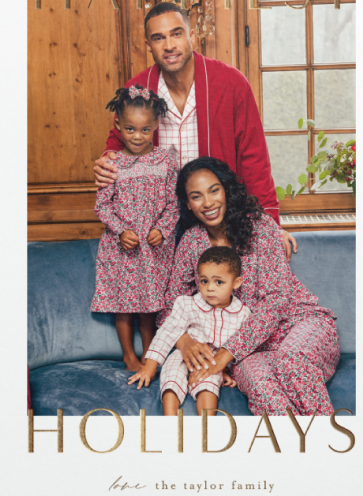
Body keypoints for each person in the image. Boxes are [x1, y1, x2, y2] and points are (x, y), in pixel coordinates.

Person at [92, 0, 291, 256]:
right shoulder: (137, 90)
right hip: (159, 226)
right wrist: (107, 162)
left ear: (192, 36)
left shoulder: (231, 83)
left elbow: (254, 159)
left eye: (177, 33)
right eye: (158, 38)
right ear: (148, 46)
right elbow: (117, 144)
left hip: (219, 216)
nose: (169, 45)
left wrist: (270, 226)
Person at [163, 158, 341, 416]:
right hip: (248, 354)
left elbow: (276, 301)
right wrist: (184, 341)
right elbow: (169, 304)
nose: (209, 203)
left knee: (292, 363)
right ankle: (298, 454)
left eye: (214, 190)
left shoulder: (259, 226)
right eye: (197, 196)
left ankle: (329, 447)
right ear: (188, 204)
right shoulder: (191, 243)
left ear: (226, 189)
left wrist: (225, 355)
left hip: (298, 323)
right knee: (263, 390)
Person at [89, 87, 181, 371]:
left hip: (153, 251)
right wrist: (120, 231)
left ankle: (153, 355)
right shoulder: (112, 163)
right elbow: (102, 207)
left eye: (144, 129)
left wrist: (163, 230)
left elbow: (174, 205)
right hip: (123, 250)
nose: (137, 136)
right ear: (118, 125)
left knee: (149, 308)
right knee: (125, 305)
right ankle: (129, 356)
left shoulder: (167, 161)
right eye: (130, 129)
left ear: (155, 126)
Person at [127, 245, 250, 416]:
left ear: (236, 283)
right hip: (183, 355)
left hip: (212, 360)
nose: (210, 288)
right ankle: (171, 421)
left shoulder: (243, 314)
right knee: (171, 376)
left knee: (208, 385)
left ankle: (205, 428)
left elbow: (239, 347)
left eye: (219, 282)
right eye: (204, 281)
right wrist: (150, 365)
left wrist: (226, 370)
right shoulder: (187, 304)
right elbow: (167, 332)